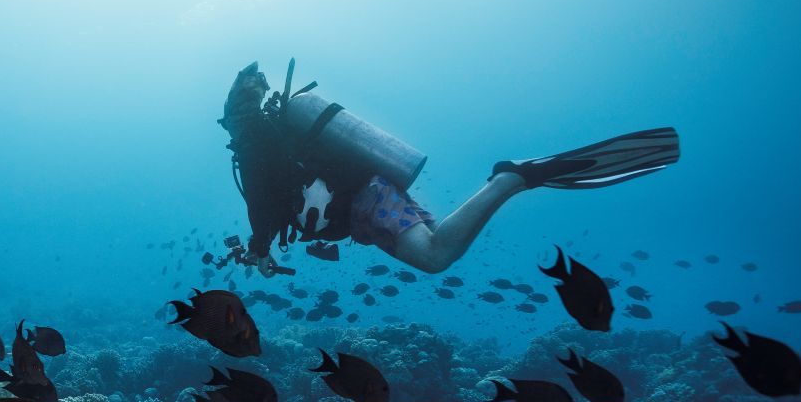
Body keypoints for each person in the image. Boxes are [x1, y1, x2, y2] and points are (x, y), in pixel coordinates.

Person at [219, 61, 680, 276]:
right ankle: (509, 180)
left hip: (366, 200)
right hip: (371, 196)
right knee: (443, 242)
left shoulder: (255, 146)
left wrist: (259, 246)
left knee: (435, 256)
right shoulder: (271, 137)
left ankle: (510, 178)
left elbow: (262, 201)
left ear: (234, 115)